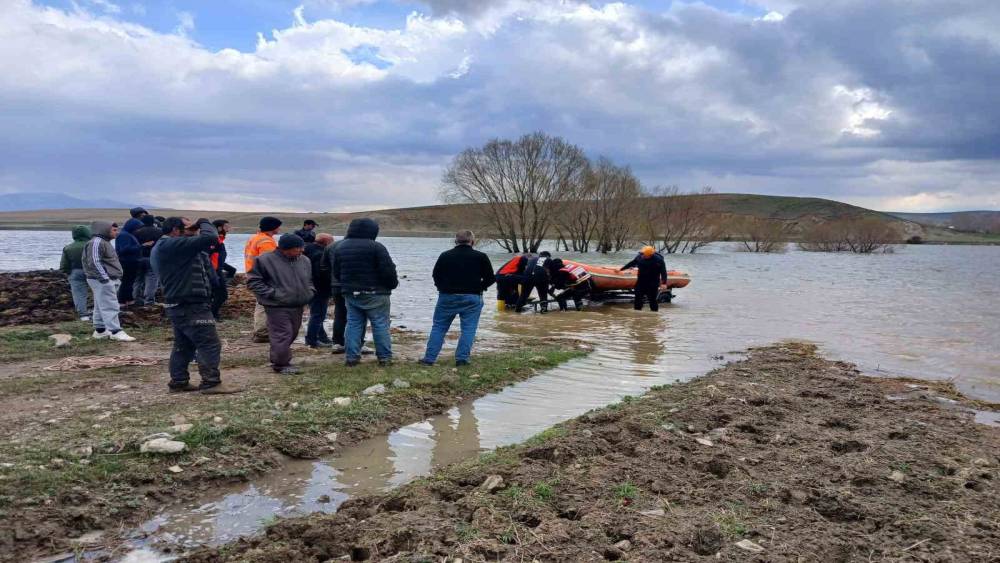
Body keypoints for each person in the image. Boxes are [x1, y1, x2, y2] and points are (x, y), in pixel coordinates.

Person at [152, 217, 239, 393]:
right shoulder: (169, 245)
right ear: (176, 230)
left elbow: (206, 260)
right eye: (188, 227)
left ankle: (179, 381)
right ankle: (211, 383)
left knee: (184, 344)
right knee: (209, 343)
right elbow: (210, 239)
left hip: (182, 302)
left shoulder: (173, 247)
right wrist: (203, 222)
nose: (195, 230)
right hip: (189, 303)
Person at [418, 231, 494, 367]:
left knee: (439, 327)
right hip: (472, 296)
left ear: (455, 241)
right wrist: (480, 287)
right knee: (468, 329)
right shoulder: (480, 256)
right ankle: (462, 359)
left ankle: (429, 359)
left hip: (447, 296)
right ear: (472, 241)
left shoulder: (445, 255)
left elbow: (436, 275)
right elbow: (491, 278)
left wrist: (441, 288)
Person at [332, 218, 398, 367]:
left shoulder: (341, 247)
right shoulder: (376, 247)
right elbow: (388, 271)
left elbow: (336, 272)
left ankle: (351, 358)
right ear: (373, 231)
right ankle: (384, 358)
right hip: (376, 293)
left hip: (350, 292)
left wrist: (347, 285)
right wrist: (392, 285)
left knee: (353, 324)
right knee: (380, 324)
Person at [246, 234, 315, 374]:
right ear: (285, 248)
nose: (301, 251)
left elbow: (309, 279)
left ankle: (277, 358)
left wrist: (310, 291)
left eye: (302, 248)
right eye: (298, 248)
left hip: (298, 304)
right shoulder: (264, 260)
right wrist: (273, 294)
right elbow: (253, 281)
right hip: (277, 305)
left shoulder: (304, 260)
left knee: (292, 333)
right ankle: (281, 364)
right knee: (282, 334)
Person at [82, 221, 136, 341]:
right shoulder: (97, 242)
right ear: (104, 230)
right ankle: (115, 331)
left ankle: (100, 330)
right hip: (102, 280)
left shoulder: (103, 242)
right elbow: (94, 262)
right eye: (114, 230)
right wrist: (105, 279)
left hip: (105, 279)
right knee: (110, 304)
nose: (116, 233)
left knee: (100, 304)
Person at [244, 216, 282, 342]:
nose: (280, 228)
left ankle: (261, 331)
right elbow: (270, 262)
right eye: (278, 226)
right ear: (273, 227)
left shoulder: (254, 238)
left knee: (261, 303)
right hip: (263, 276)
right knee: (264, 304)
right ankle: (262, 333)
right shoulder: (266, 241)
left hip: (253, 274)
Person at [303, 233, 334, 348]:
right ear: (326, 242)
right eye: (332, 242)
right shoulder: (320, 254)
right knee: (318, 314)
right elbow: (320, 274)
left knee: (317, 313)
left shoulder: (308, 250)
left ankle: (322, 337)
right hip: (319, 289)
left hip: (308, 287)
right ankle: (311, 340)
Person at [621, 245, 668, 311]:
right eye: (643, 253)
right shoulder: (640, 257)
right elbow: (631, 263)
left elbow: (663, 272)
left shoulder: (658, 260)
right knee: (638, 298)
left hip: (653, 283)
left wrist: (664, 283)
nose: (643, 255)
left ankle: (654, 317)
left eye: (645, 254)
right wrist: (621, 269)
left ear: (650, 255)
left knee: (652, 300)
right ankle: (637, 315)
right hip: (641, 282)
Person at [60, 225, 92, 321]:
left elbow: (64, 265)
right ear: (88, 233)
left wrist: (68, 273)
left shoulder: (68, 248)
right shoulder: (92, 245)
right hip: (92, 271)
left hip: (75, 272)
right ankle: (99, 313)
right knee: (99, 292)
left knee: (79, 294)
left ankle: (83, 315)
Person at [133, 215, 163, 305]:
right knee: (152, 279)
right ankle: (149, 300)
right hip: (153, 258)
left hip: (139, 258)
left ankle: (136, 298)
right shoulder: (159, 232)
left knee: (138, 279)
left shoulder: (136, 232)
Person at [209, 219, 235, 319]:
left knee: (216, 293)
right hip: (213, 271)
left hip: (216, 269)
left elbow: (217, 257)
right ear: (219, 228)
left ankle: (212, 313)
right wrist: (213, 271)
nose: (228, 229)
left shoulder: (218, 239)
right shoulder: (214, 240)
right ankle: (213, 315)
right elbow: (207, 256)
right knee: (222, 295)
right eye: (226, 227)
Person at [115, 217, 143, 305]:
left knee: (129, 281)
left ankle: (128, 299)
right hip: (127, 262)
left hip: (131, 261)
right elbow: (124, 249)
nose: (138, 230)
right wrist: (140, 246)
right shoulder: (124, 235)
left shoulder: (127, 234)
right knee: (127, 281)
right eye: (137, 228)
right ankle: (123, 300)